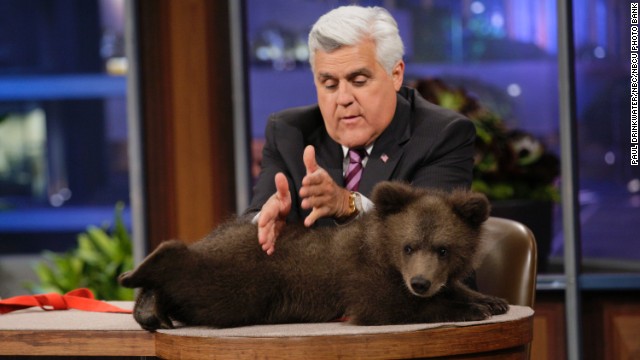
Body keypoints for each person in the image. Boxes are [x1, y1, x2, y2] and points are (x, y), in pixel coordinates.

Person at [243, 5, 476, 255]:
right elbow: (252, 222)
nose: (343, 98)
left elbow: (427, 242)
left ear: (396, 75)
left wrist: (348, 205)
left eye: (359, 81)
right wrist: (265, 225)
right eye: (330, 84)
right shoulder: (290, 133)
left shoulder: (441, 135)